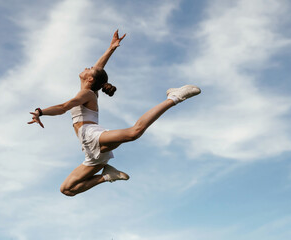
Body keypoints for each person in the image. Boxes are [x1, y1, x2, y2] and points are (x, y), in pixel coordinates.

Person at [28, 30, 201, 196]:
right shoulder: (90, 90)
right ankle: (107, 176)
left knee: (134, 132)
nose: (88, 67)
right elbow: (99, 68)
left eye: (89, 69)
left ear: (90, 79)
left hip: (92, 136)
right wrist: (111, 48)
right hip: (90, 148)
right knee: (67, 190)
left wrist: (40, 111)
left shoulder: (86, 93)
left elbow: (64, 107)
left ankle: (174, 97)